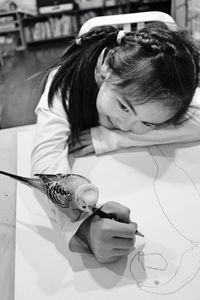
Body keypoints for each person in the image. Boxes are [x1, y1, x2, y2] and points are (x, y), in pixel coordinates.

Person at [31, 22, 200, 264]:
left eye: (148, 124)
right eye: (123, 106)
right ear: (105, 68)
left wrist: (113, 139)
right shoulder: (64, 82)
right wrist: (83, 225)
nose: (127, 124)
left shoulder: (165, 96)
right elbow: (45, 159)